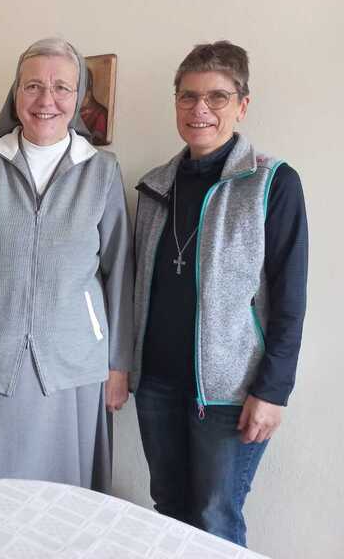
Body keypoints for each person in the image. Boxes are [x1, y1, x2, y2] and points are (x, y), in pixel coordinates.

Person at [131, 41, 308, 547]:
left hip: (232, 392)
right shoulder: (154, 186)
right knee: (168, 509)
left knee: (215, 518)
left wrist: (273, 390)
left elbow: (290, 300)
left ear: (242, 104)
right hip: (158, 386)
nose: (200, 110)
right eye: (188, 97)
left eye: (217, 97)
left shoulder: (272, 183)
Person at [0, 37, 134, 491]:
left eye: (61, 88)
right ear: (15, 95)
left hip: (74, 363)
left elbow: (119, 274)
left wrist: (119, 365)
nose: (46, 100)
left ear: (78, 99)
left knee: (64, 501)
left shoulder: (102, 171)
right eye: (32, 86)